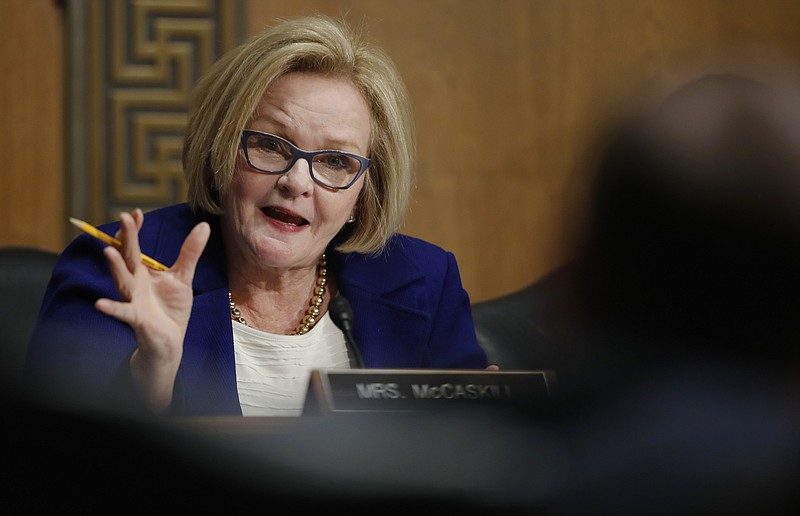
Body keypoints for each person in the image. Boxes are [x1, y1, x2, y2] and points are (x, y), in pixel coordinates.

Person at [24, 15, 488, 417]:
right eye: (269, 144)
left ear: (364, 193)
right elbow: (56, 468)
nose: (297, 182)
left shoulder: (424, 284)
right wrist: (152, 372)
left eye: (335, 162)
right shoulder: (119, 267)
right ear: (220, 150)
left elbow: (474, 461)